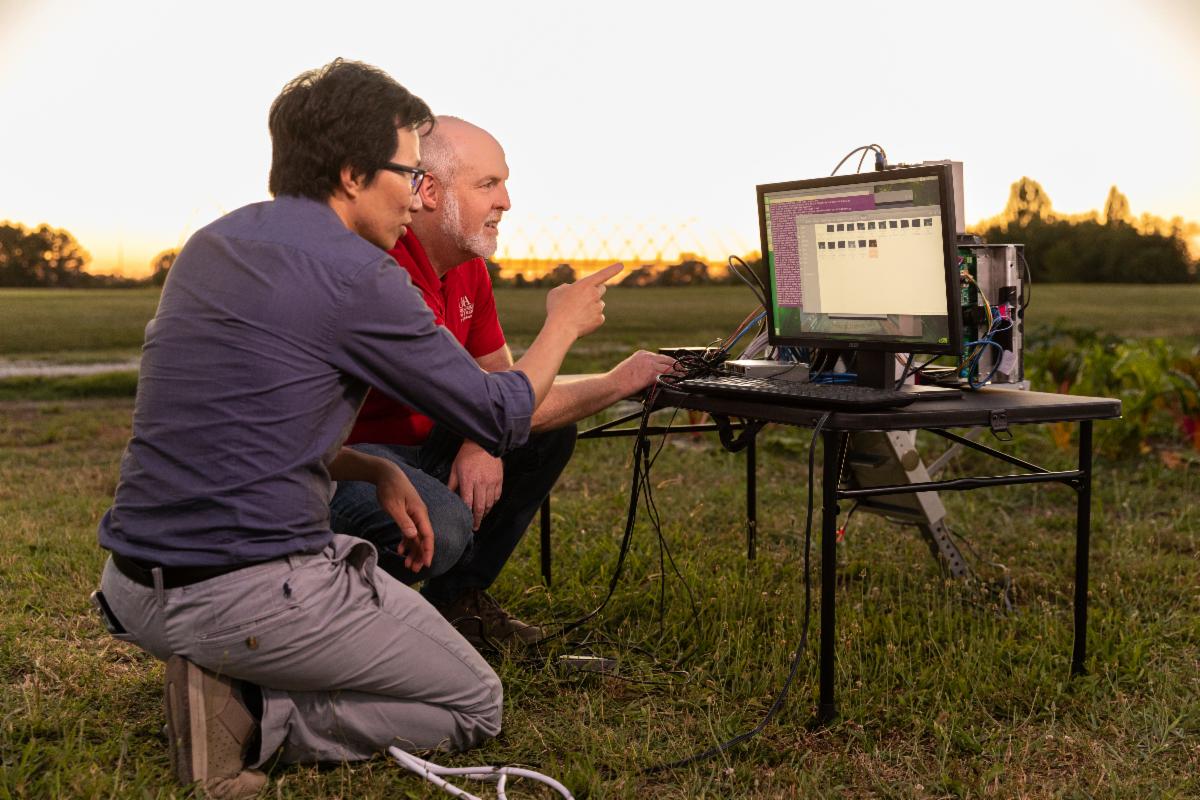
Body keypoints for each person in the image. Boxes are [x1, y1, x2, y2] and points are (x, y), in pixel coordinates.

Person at [95, 60, 619, 799]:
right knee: (476, 701)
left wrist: (372, 469)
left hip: (133, 585)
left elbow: (239, 427)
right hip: (236, 590)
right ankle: (250, 709)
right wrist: (561, 327)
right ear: (350, 174)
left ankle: (223, 665)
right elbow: (500, 413)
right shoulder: (360, 274)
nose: (415, 195)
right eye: (407, 173)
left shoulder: (213, 245)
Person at [331, 116, 674, 647]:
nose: (506, 202)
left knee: (541, 432)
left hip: (425, 447)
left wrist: (483, 434)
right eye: (488, 185)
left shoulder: (468, 267)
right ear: (427, 191)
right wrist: (583, 347)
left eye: (504, 183)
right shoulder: (385, 272)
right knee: (441, 526)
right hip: (349, 462)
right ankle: (361, 627)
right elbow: (500, 405)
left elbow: (507, 391)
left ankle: (458, 607)